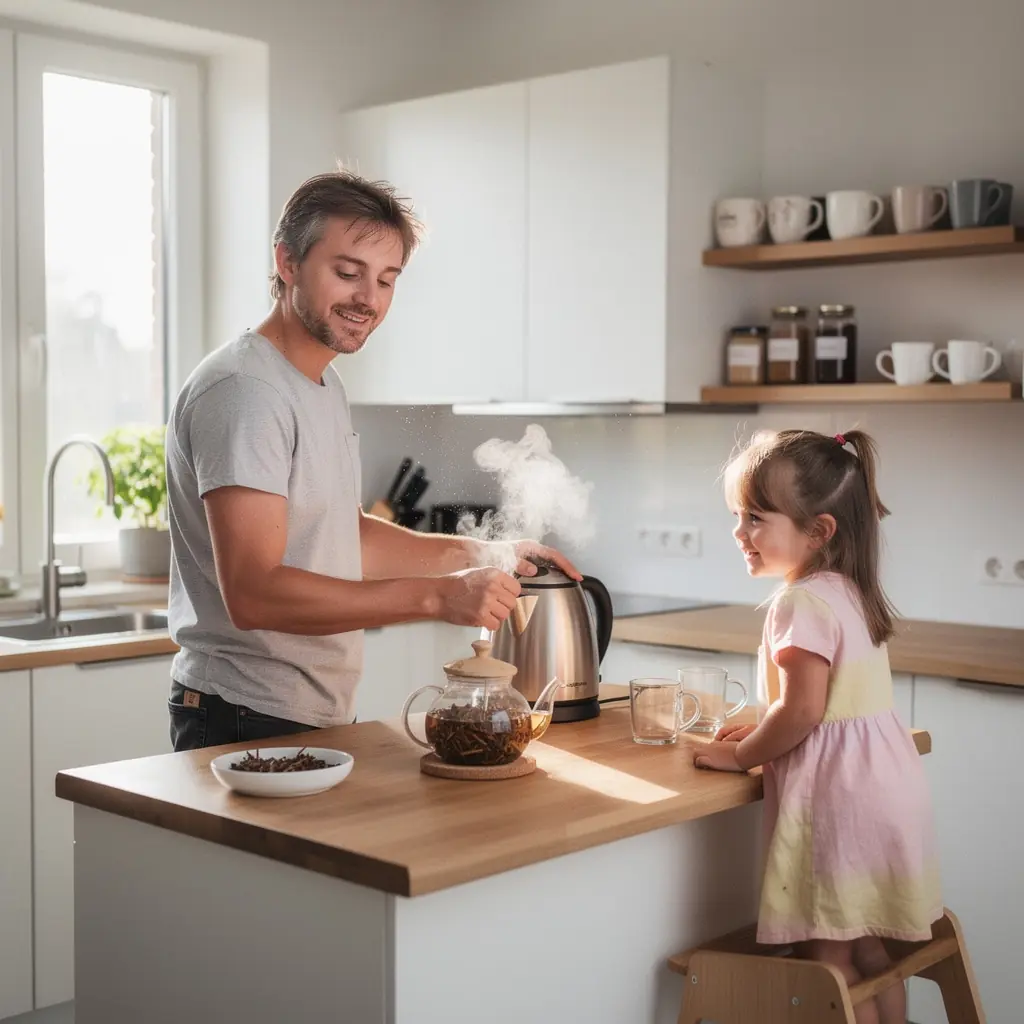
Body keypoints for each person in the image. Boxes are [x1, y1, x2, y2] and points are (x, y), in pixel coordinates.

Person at [166, 168, 579, 752]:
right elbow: (254, 592)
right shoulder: (246, 391)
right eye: (347, 273)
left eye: (387, 280)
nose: (369, 299)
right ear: (287, 263)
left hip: (303, 708)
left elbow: (344, 537)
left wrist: (491, 553)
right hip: (243, 711)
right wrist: (439, 596)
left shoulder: (319, 384)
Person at [690, 429, 941, 1024]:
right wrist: (761, 721)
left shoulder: (797, 603)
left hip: (840, 803)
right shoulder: (851, 592)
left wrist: (743, 753)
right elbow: (830, 703)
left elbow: (802, 714)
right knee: (871, 949)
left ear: (818, 531)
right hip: (887, 792)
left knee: (825, 959)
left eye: (755, 517)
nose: (739, 533)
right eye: (736, 516)